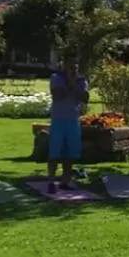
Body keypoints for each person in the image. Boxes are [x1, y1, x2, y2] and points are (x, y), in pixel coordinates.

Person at [46, 51, 90, 192]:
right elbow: (58, 95)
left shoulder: (81, 80)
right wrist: (71, 85)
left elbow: (85, 97)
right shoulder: (56, 78)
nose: (72, 66)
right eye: (69, 63)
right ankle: (51, 182)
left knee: (70, 154)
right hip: (59, 119)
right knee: (54, 153)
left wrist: (73, 84)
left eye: (74, 63)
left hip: (73, 119)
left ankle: (65, 181)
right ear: (63, 63)